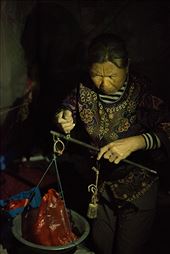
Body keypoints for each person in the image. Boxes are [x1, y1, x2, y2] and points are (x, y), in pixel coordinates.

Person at [54, 33, 170, 254]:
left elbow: (167, 127)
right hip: (101, 184)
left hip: (137, 188)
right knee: (101, 244)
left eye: (112, 76)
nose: (103, 83)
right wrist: (64, 116)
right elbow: (67, 105)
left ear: (127, 67)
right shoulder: (85, 88)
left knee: (127, 249)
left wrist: (137, 142)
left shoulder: (143, 92)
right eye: (97, 74)